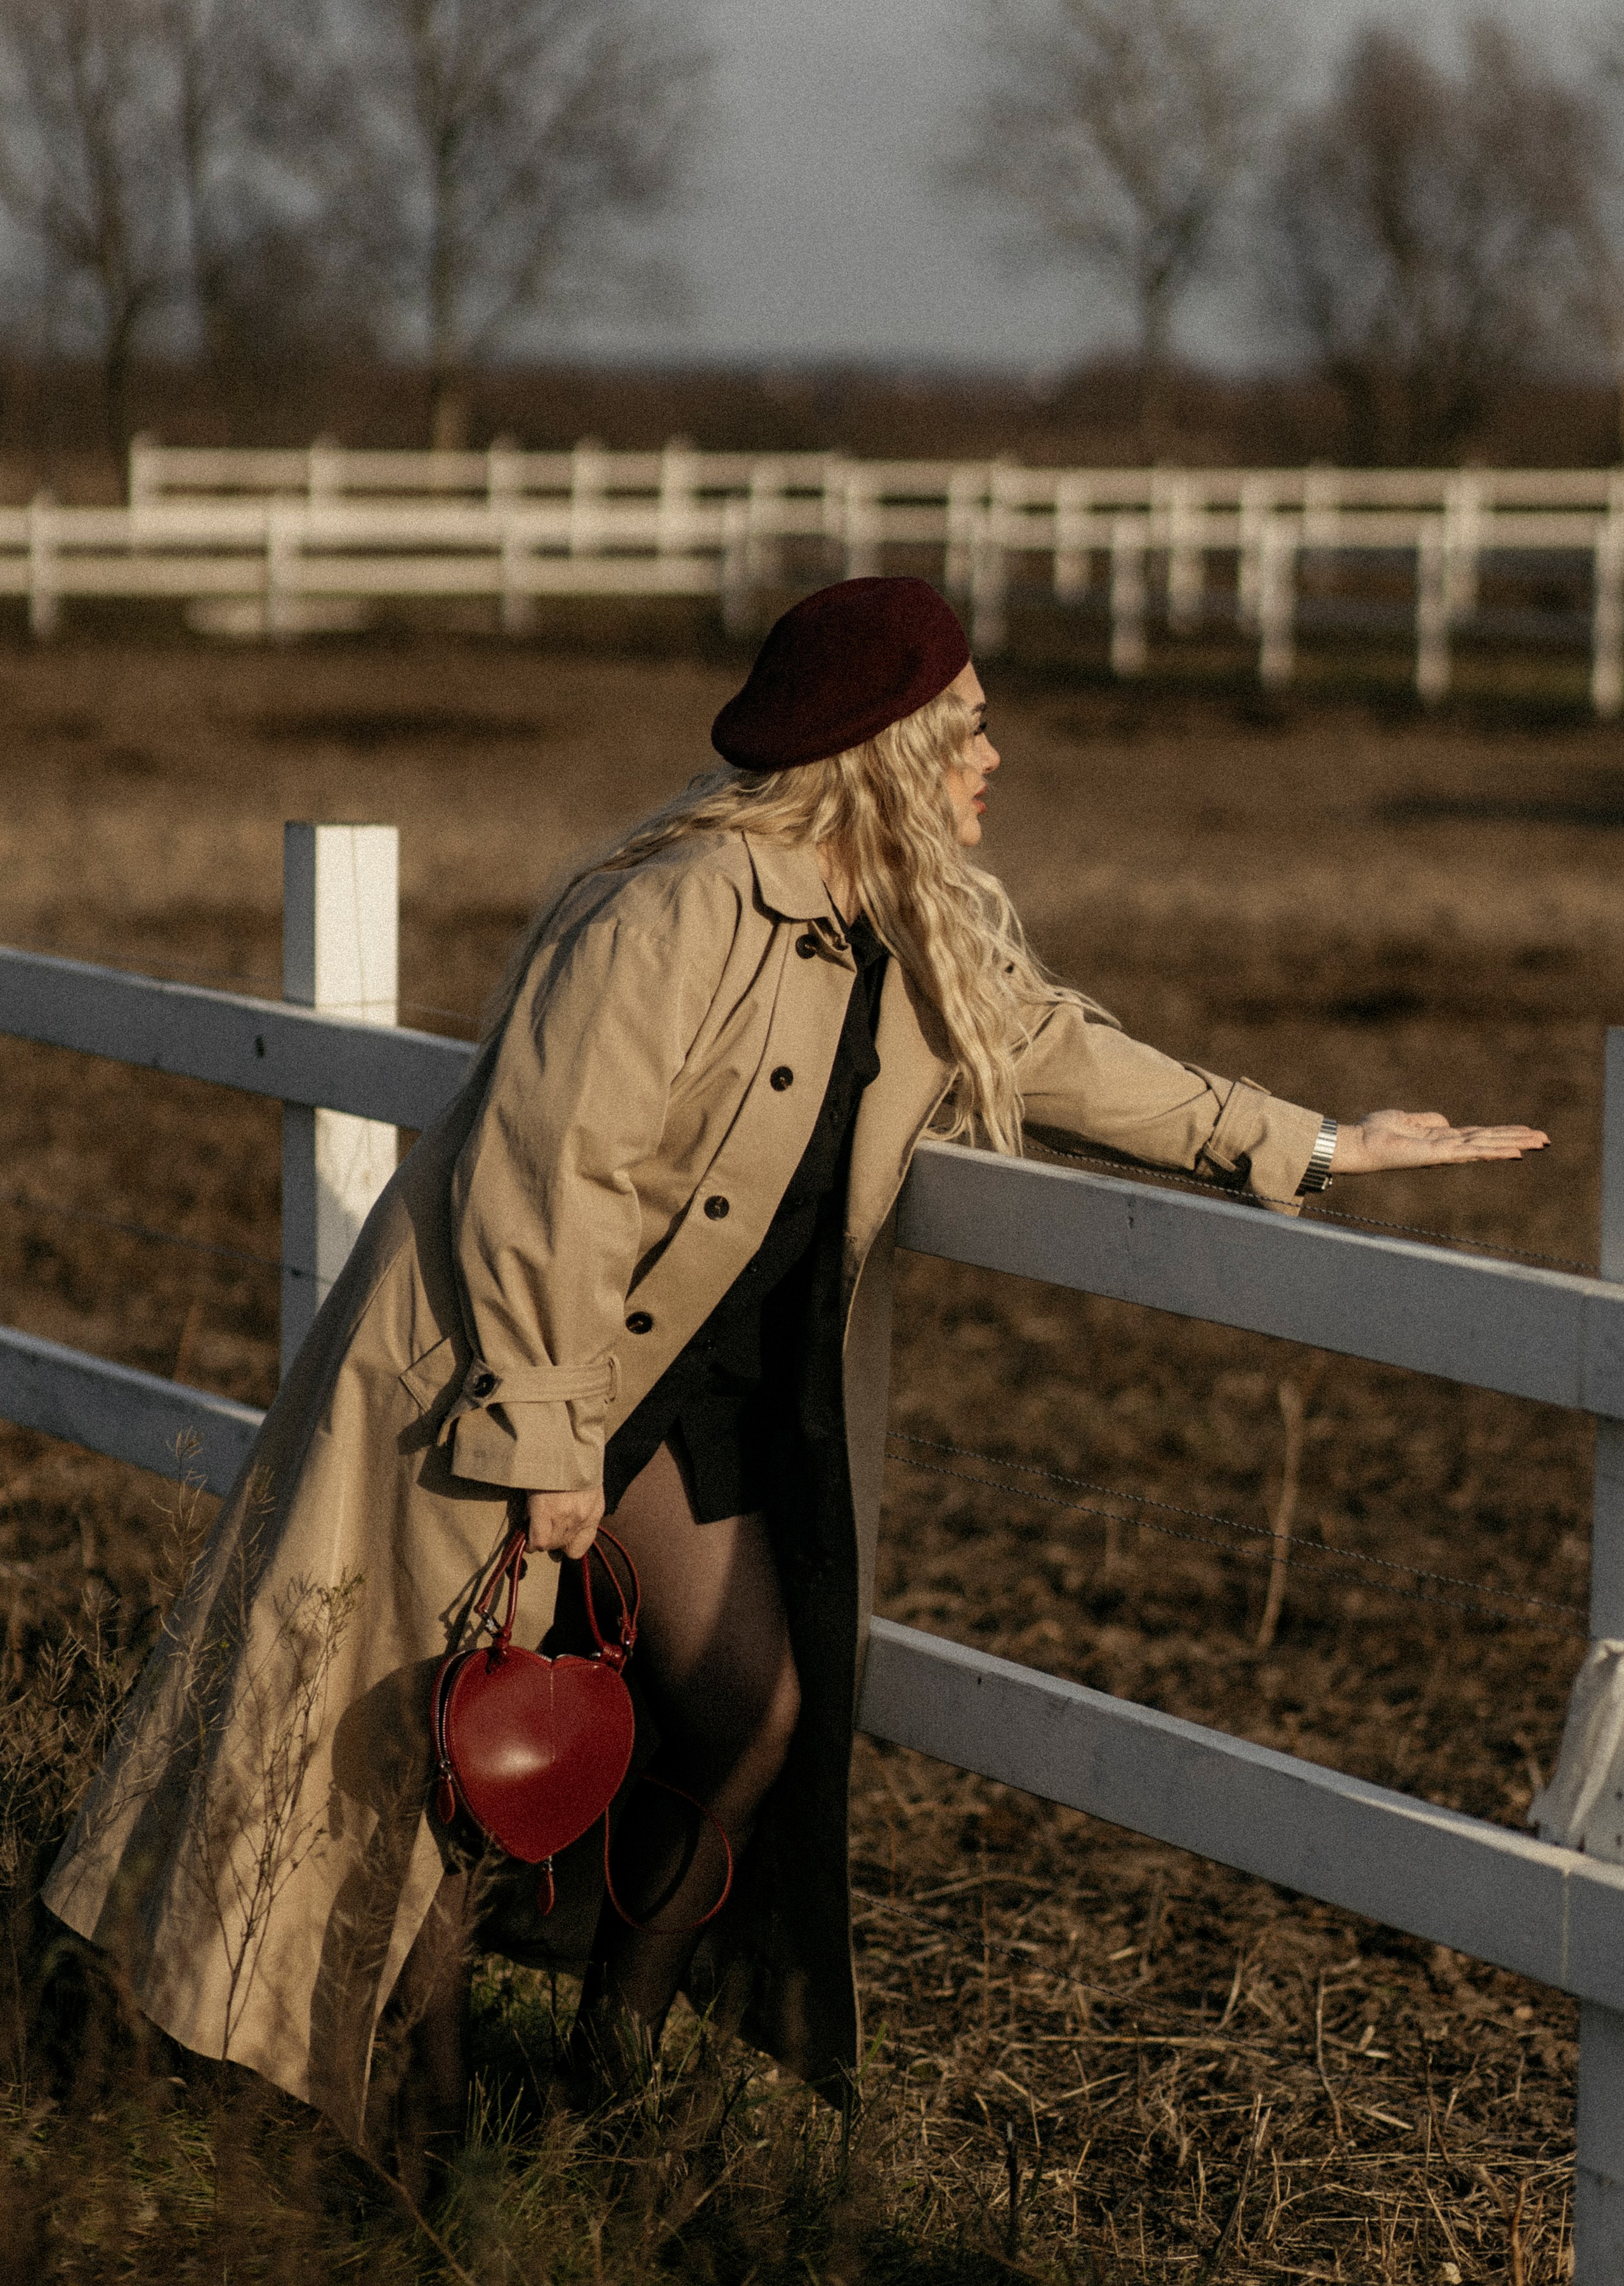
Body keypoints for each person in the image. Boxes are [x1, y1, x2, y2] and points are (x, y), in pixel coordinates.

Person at [41, 577, 1547, 2154]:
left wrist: (1310, 1141)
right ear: (883, 747)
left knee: (750, 1715)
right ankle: (389, 2118)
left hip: (683, 1400)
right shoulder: (674, 907)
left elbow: (1052, 1050)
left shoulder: (911, 928)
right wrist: (550, 1445)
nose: (992, 754)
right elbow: (547, 1176)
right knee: (436, 1746)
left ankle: (599, 2076)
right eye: (965, 725)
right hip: (510, 1378)